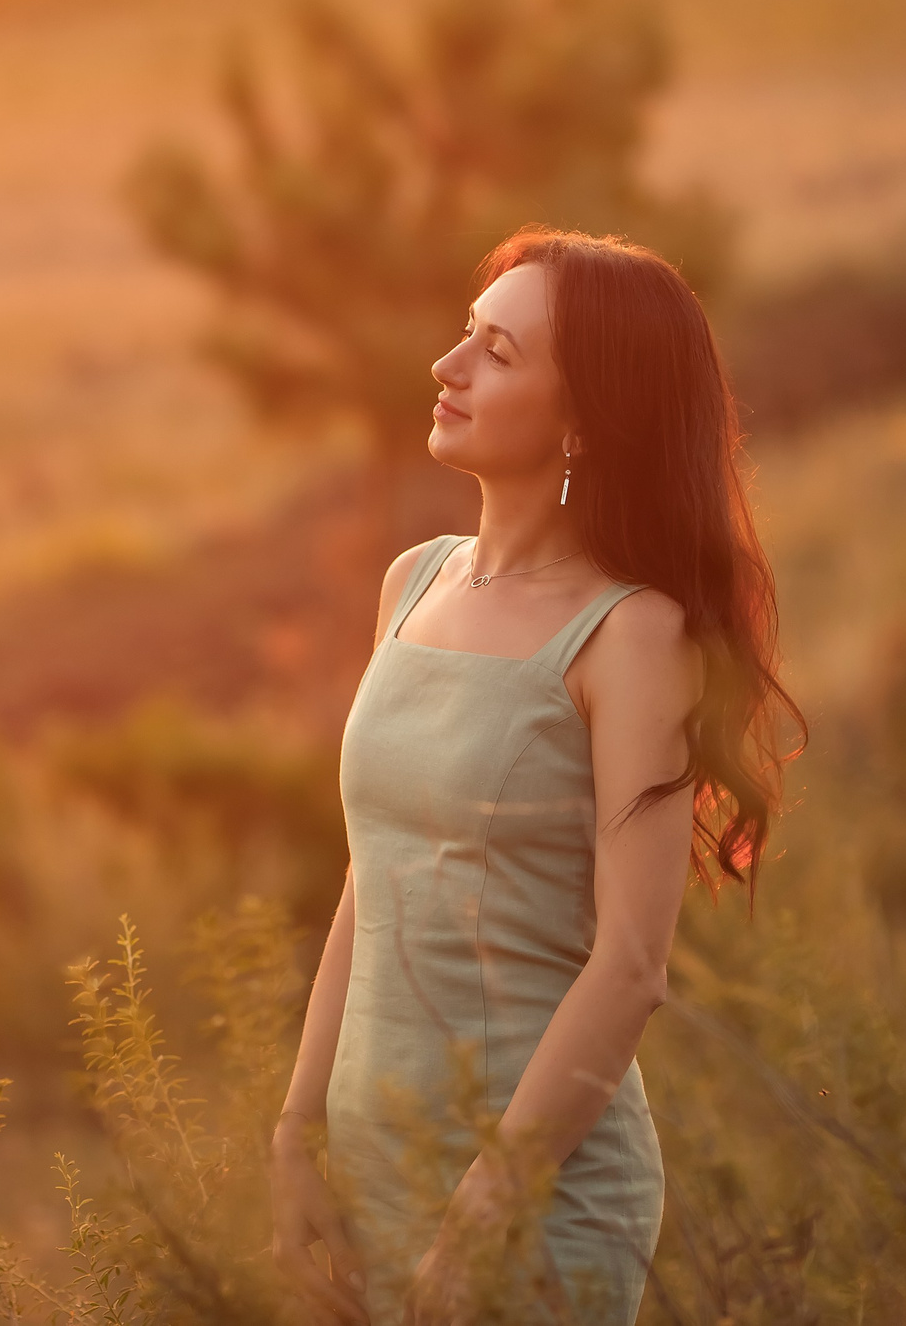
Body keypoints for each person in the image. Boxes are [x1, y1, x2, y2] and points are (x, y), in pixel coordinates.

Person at [267, 227, 805, 1326]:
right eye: (467, 335)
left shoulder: (632, 640)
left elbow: (631, 966)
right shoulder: (411, 582)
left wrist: (485, 1215)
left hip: (534, 1196)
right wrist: (294, 1129)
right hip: (376, 1170)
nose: (446, 368)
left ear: (582, 422)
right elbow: (371, 877)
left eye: (497, 353)